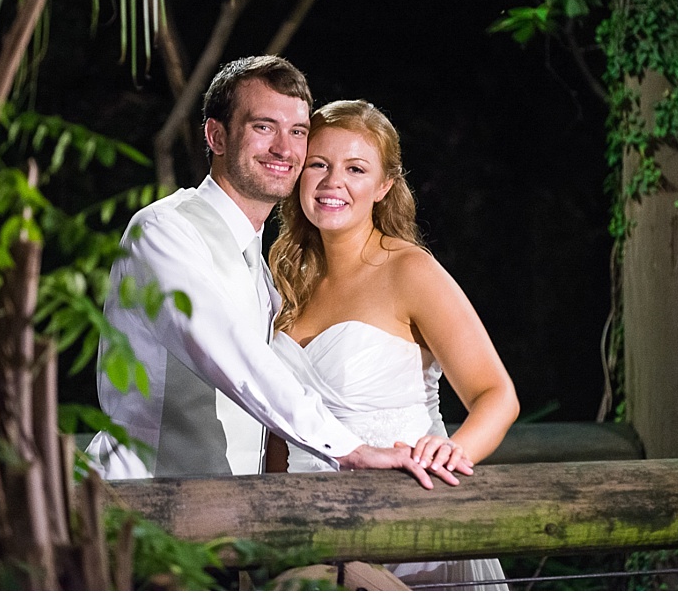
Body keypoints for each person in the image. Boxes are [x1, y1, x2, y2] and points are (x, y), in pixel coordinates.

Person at [85, 55, 462, 489]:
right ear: (216, 136)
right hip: (139, 505)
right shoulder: (165, 230)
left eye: (298, 132)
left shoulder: (263, 272)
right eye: (264, 126)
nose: (285, 149)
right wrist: (348, 449)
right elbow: (227, 349)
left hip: (231, 522)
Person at [268, 99, 520, 590]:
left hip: (408, 525)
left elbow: (497, 395)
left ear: (384, 186)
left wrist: (450, 452)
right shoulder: (283, 278)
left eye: (355, 168)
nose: (331, 181)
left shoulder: (410, 270)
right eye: (318, 164)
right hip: (304, 534)